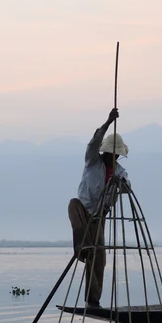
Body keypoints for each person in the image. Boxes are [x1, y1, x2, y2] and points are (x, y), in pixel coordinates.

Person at [68, 108, 130, 308]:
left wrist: (118, 183)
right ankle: (81, 248)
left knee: (99, 258)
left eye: (115, 155)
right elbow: (93, 142)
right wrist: (108, 122)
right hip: (83, 210)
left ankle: (92, 300)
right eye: (110, 153)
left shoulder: (119, 171)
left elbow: (127, 188)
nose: (113, 157)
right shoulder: (93, 161)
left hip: (99, 217)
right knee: (73, 206)